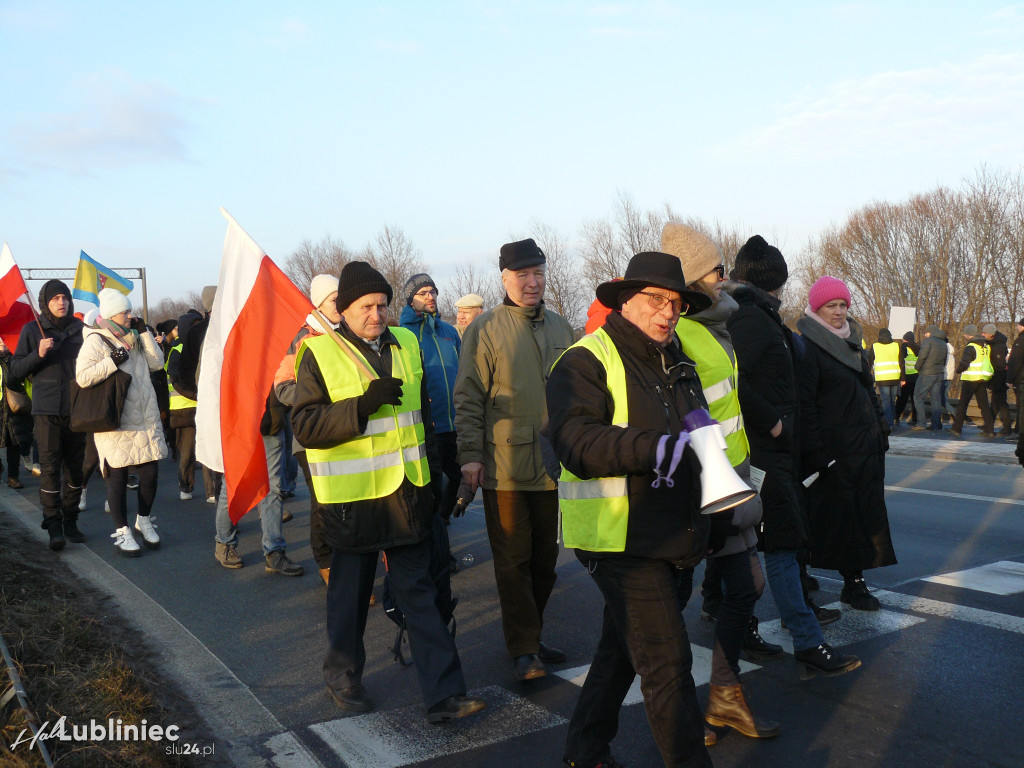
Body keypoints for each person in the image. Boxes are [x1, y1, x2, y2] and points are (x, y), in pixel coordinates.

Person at [292, 261, 485, 723]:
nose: (376, 314)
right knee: (350, 598)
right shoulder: (319, 353)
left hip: (408, 495)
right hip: (353, 502)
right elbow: (305, 425)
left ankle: (445, 695)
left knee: (420, 595)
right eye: (366, 306)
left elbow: (422, 419)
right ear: (344, 309)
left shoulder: (408, 343)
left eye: (382, 304)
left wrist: (439, 478)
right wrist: (362, 405)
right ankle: (343, 676)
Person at [547, 251, 715, 768]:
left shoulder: (678, 357)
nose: (667, 312)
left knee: (621, 652)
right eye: (655, 300)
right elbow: (574, 441)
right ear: (625, 300)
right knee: (667, 664)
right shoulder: (585, 360)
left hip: (673, 532)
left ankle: (584, 751)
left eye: (676, 304)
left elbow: (701, 437)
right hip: (617, 538)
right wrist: (653, 447)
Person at [661, 224, 783, 696]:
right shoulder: (680, 331)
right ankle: (677, 701)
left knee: (747, 585)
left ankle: (724, 692)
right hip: (700, 483)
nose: (724, 277)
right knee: (673, 599)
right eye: (715, 270)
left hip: (732, 475)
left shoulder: (716, 327)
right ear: (692, 279)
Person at [726, 239, 855, 676]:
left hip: (776, 452)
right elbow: (733, 378)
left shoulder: (758, 317)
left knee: (755, 547)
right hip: (764, 452)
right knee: (779, 545)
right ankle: (806, 640)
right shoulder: (749, 319)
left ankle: (746, 628)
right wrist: (773, 422)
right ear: (778, 279)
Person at [454, 238, 574, 682]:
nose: (532, 282)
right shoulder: (484, 329)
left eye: (538, 273)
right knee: (512, 560)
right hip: (503, 466)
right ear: (504, 279)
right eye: (522, 275)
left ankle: (533, 635)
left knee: (545, 560)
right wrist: (470, 457)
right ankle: (523, 648)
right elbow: (467, 396)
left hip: (551, 464)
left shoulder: (563, 329)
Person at [797, 276, 897, 611]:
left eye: (843, 305)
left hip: (865, 448)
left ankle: (855, 581)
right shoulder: (807, 347)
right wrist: (816, 452)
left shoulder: (855, 343)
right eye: (831, 306)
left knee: (863, 517)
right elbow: (805, 404)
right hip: (834, 451)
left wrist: (881, 432)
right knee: (830, 517)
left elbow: (869, 392)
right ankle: (808, 574)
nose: (839, 312)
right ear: (817, 309)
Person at [75, 289, 167, 557]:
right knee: (117, 477)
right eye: (125, 312)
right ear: (111, 314)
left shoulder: (136, 337)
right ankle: (123, 531)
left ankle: (144, 519)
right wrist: (113, 361)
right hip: (115, 420)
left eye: (129, 311)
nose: (130, 315)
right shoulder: (96, 340)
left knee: (150, 474)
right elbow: (83, 377)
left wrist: (145, 334)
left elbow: (157, 363)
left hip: (144, 417)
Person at [275, 273, 343, 584]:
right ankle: (326, 561)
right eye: (334, 299)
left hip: (345, 428)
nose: (340, 305)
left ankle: (353, 564)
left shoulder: (347, 335)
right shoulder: (300, 338)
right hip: (312, 435)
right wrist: (319, 399)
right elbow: (283, 387)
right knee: (323, 500)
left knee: (348, 499)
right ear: (318, 304)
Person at [11, 280, 87, 551]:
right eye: (55, 298)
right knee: (51, 469)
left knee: (75, 470)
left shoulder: (82, 330)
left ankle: (71, 520)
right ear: (45, 302)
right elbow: (15, 371)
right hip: (46, 411)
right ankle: (53, 524)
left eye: (64, 297)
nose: (61, 302)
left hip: (77, 410)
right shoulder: (33, 330)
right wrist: (38, 353)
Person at [212, 387, 303, 576]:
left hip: (272, 423)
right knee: (234, 485)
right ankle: (224, 543)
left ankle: (274, 551)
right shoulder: (227, 355)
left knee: (273, 488)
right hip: (239, 425)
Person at [400, 273, 462, 523]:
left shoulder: (449, 331)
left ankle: (441, 519)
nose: (430, 296)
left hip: (455, 422)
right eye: (423, 293)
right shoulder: (404, 334)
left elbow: (464, 370)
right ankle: (435, 535)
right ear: (410, 299)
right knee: (434, 483)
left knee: (460, 478)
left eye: (433, 291)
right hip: (429, 424)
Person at [951, 324, 995, 438]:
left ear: (968, 334)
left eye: (965, 333)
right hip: (981, 378)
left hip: (970, 379)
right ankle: (989, 430)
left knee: (963, 404)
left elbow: (965, 363)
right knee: (984, 405)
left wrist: (958, 370)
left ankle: (957, 429)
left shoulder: (971, 346)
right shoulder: (986, 346)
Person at [912, 325, 949, 431]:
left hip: (927, 373)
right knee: (936, 400)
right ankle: (936, 424)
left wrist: (917, 367)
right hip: (939, 374)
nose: (925, 335)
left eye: (926, 332)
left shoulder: (928, 341)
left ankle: (921, 423)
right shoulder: (943, 344)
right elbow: (945, 360)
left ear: (931, 332)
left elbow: (922, 356)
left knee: (918, 397)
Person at [868, 328, 903, 431]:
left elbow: (869, 362)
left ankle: (888, 424)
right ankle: (891, 421)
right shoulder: (896, 345)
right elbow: (902, 362)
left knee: (885, 402)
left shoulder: (875, 346)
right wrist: (903, 378)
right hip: (895, 378)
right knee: (892, 401)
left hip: (882, 379)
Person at [981, 323, 1012, 434]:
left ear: (991, 334)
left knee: (1002, 403)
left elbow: (999, 365)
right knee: (995, 403)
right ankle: (989, 425)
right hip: (998, 378)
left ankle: (1006, 428)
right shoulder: (994, 343)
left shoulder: (997, 346)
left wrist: (995, 380)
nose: (982, 334)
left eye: (984, 333)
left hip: (999, 378)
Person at [894, 331, 919, 426]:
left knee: (902, 398)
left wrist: (901, 377)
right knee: (915, 399)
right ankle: (915, 419)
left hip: (906, 377)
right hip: (916, 376)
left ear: (905, 339)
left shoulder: (903, 347)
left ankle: (896, 417)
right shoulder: (918, 347)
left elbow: (901, 362)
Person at [1007, 318, 1024, 438]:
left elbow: (1015, 361)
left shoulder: (1020, 341)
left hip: (1021, 379)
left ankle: (1019, 431)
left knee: (1021, 405)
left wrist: (1009, 379)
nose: (1017, 327)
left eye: (1019, 325)